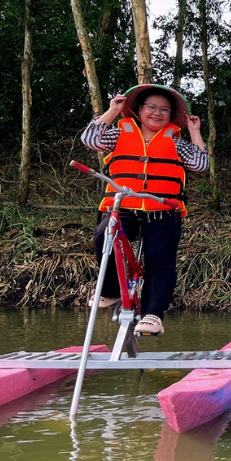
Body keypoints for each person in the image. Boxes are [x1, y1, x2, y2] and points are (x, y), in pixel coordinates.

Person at [82, 84, 208, 336]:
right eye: (152, 107)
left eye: (164, 109)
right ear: (140, 110)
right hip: (125, 208)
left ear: (170, 115)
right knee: (104, 236)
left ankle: (153, 315)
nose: (157, 113)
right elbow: (90, 140)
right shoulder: (120, 134)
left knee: (160, 263)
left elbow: (200, 164)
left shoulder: (176, 142)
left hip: (163, 211)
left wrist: (194, 131)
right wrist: (112, 110)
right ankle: (111, 291)